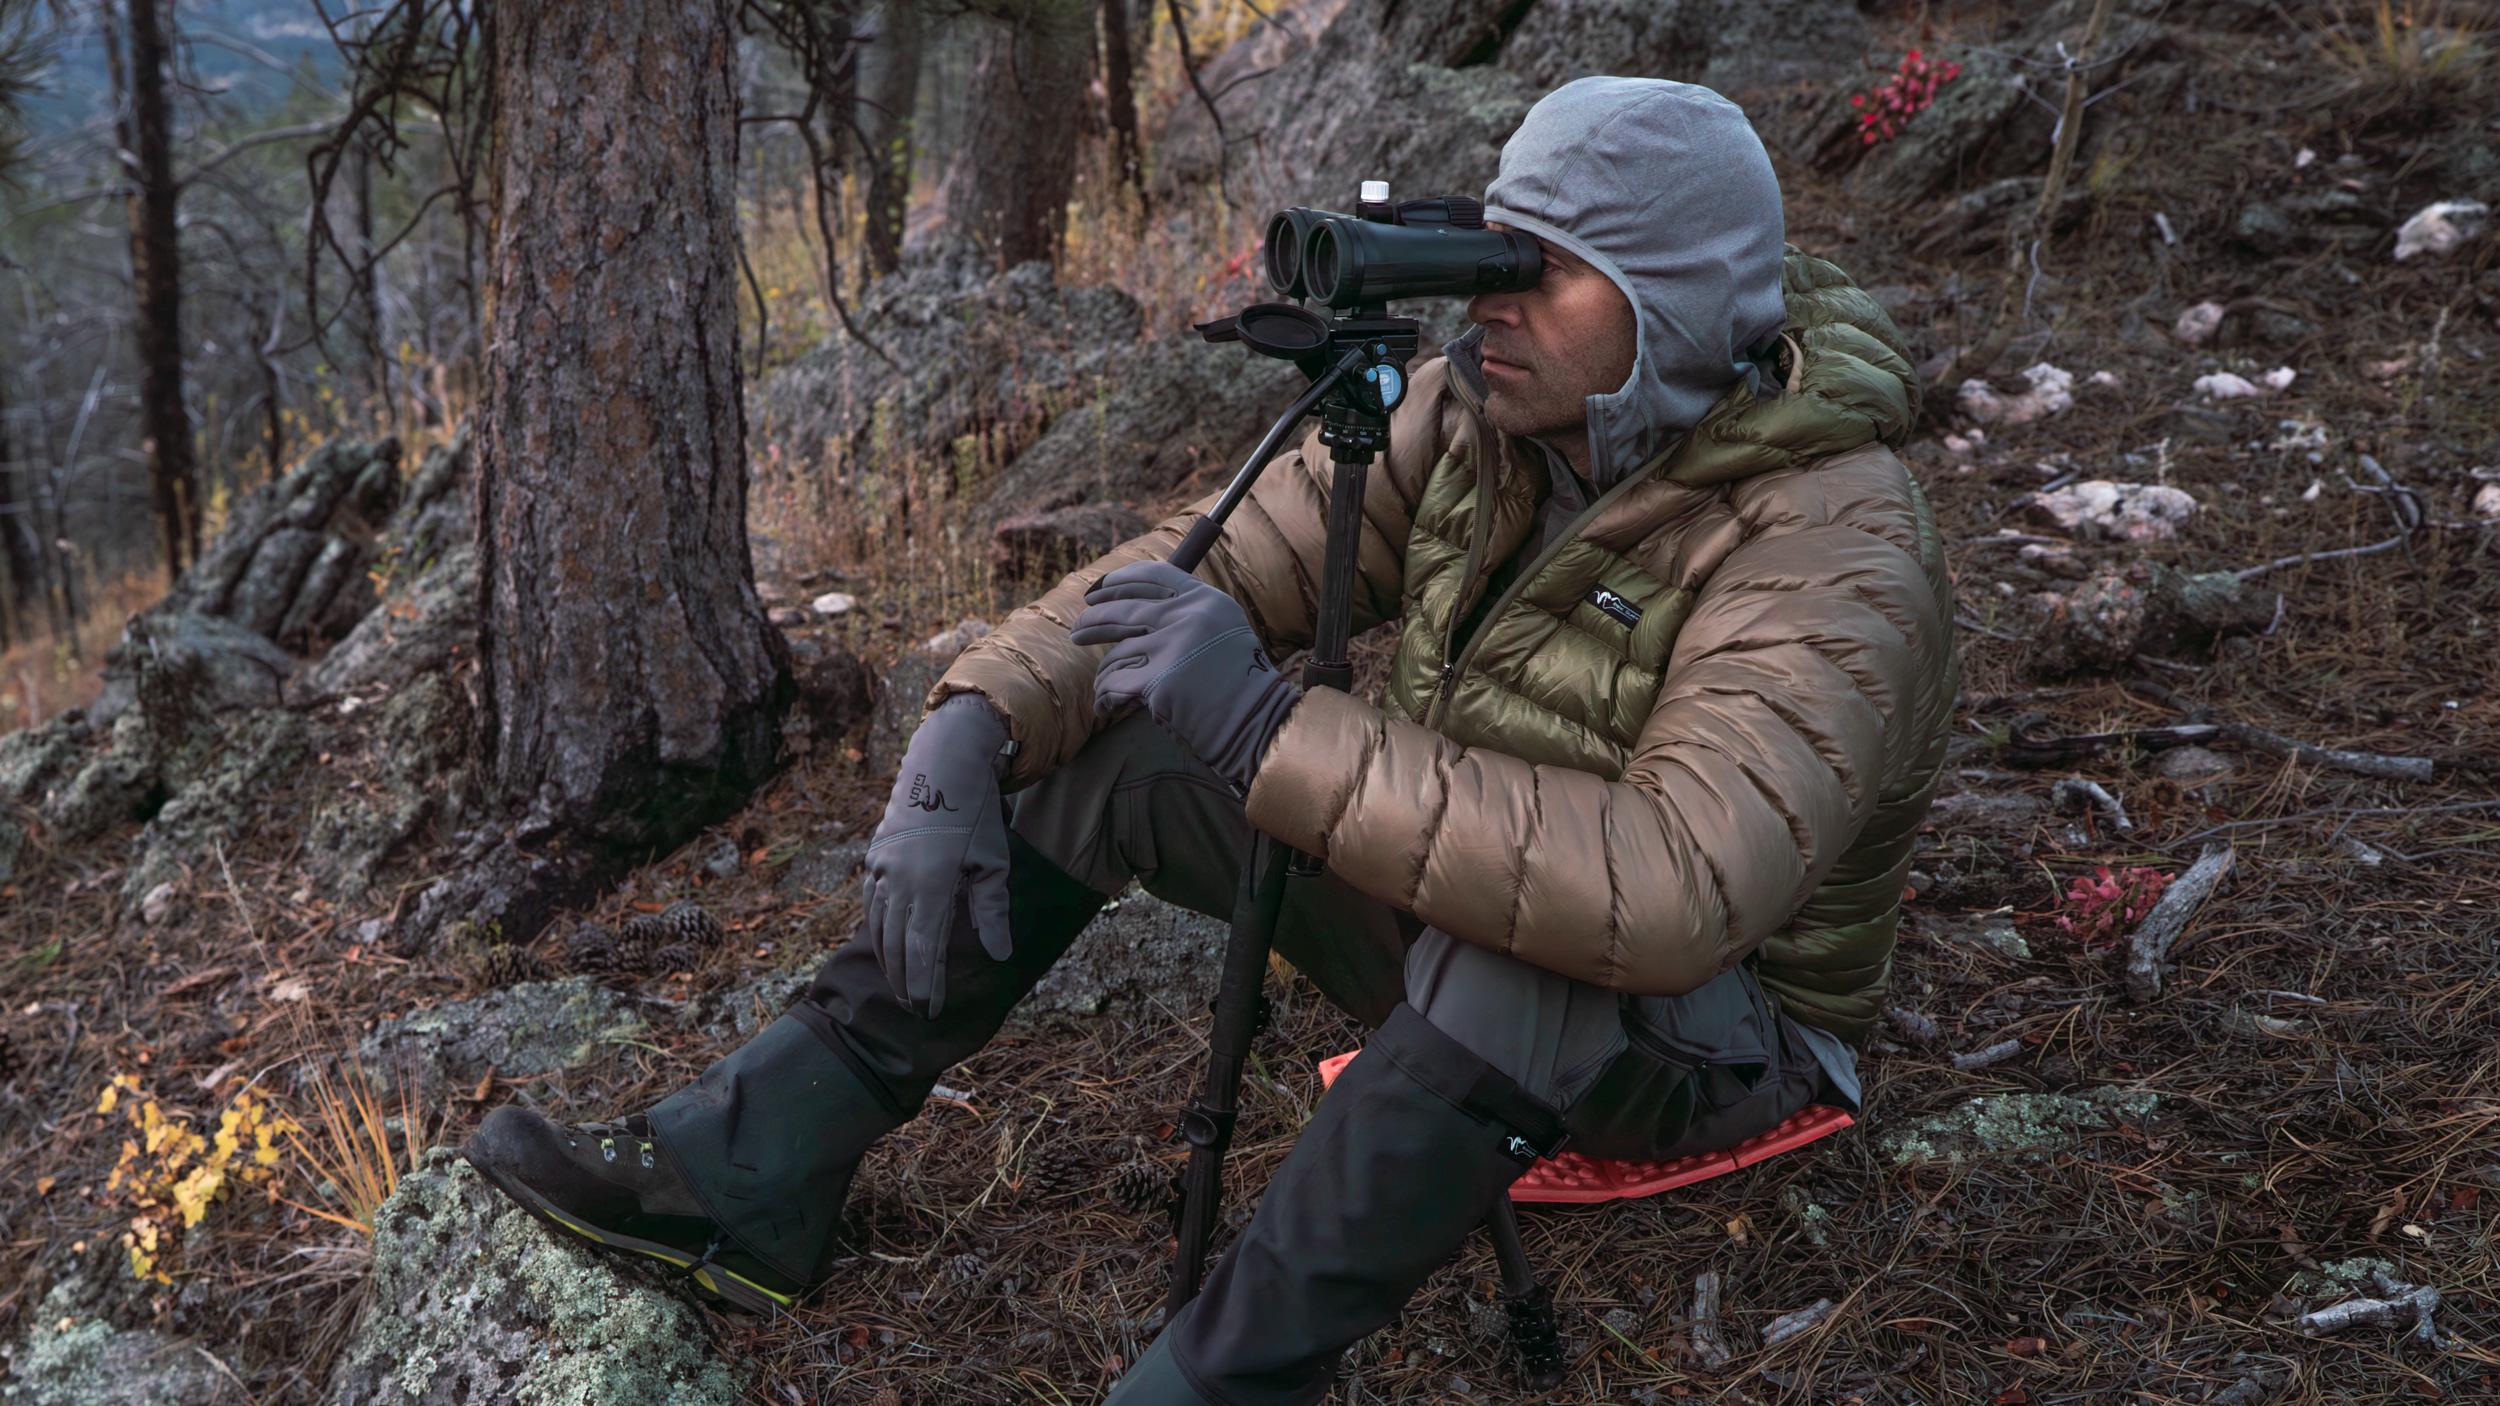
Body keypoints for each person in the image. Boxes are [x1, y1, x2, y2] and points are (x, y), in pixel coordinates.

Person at [464, 74, 1957, 1404]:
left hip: (1720, 1035)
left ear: (1681, 302)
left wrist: (1267, 726)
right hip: (1485, 924)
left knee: (1524, 943)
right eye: (1491, 255)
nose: (1490, 304)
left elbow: (1668, 886)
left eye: (1543, 274)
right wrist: (975, 719)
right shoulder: (1483, 416)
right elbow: (1208, 560)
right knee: (1115, 741)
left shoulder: (1834, 542)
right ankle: (753, 1167)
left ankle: (1216, 1376)